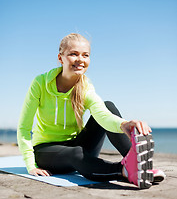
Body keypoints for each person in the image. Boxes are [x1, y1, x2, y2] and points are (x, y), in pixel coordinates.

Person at [17, 33, 165, 189]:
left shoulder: (85, 86)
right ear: (61, 58)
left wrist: (124, 124)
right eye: (74, 54)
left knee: (108, 105)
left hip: (78, 145)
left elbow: (102, 114)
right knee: (75, 153)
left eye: (85, 55)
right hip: (47, 151)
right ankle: (124, 170)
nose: (80, 59)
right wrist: (30, 165)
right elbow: (24, 127)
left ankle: (136, 162)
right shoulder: (40, 83)